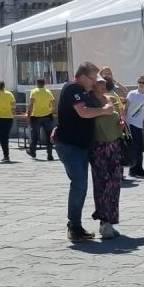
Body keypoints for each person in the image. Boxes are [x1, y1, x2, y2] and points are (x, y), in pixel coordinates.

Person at [54, 64, 117, 242]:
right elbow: (82, 112)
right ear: (82, 76)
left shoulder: (81, 90)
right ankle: (73, 227)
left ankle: (76, 226)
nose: (94, 82)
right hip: (70, 145)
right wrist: (104, 111)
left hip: (79, 145)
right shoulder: (74, 88)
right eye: (92, 78)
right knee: (79, 184)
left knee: (81, 185)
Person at [88, 77, 127, 240]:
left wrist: (121, 123)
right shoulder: (89, 102)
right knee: (102, 184)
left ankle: (110, 220)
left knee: (115, 183)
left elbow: (120, 117)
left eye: (104, 82)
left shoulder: (111, 98)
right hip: (98, 146)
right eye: (99, 82)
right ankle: (104, 222)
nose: (103, 85)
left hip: (115, 144)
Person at [125, 77, 144, 178]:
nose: (141, 84)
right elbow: (126, 107)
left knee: (139, 147)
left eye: (143, 82)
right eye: (139, 82)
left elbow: (142, 111)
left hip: (139, 125)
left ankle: (139, 168)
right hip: (131, 123)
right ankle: (133, 169)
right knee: (134, 147)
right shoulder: (132, 93)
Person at [27, 76, 55, 160]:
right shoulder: (48, 92)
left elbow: (31, 104)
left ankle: (33, 151)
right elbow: (53, 103)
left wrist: (28, 114)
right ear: (44, 84)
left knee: (35, 134)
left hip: (36, 116)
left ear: (36, 83)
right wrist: (50, 109)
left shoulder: (34, 92)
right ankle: (49, 154)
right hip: (47, 115)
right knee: (48, 135)